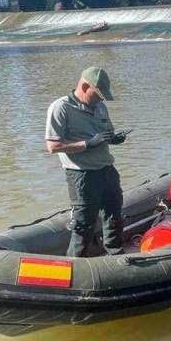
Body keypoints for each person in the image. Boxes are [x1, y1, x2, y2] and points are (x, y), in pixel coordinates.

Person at [45, 66, 127, 257]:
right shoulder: (61, 108)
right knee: (83, 224)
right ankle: (75, 263)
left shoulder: (100, 107)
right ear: (83, 86)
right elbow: (53, 146)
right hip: (82, 175)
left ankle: (116, 256)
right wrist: (87, 144)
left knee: (114, 216)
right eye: (97, 95)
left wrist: (113, 138)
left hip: (107, 169)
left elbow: (107, 133)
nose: (100, 100)